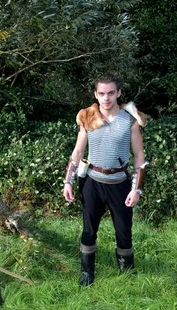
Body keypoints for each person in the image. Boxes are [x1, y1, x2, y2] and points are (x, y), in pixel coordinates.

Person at [63, 75, 148, 286]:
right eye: (101, 93)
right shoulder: (88, 118)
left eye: (111, 93)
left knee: (123, 230)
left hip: (120, 183)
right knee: (89, 229)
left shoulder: (130, 121)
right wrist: (67, 181)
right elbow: (78, 151)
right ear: (95, 95)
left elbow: (139, 156)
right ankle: (87, 273)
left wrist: (135, 189)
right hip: (92, 182)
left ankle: (126, 273)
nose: (106, 98)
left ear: (118, 93)